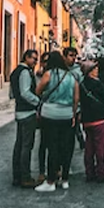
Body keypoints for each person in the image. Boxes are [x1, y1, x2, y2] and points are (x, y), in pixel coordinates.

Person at [34, 51, 81, 192]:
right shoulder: (71, 77)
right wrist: (73, 114)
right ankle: (65, 179)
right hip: (67, 115)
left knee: (52, 147)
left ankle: (51, 181)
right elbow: (76, 98)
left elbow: (37, 91)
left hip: (50, 114)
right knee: (66, 147)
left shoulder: (49, 74)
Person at [9, 49, 42, 187]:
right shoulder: (25, 72)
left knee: (19, 145)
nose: (35, 62)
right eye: (33, 59)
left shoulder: (15, 72)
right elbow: (25, 93)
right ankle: (25, 177)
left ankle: (17, 176)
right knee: (26, 146)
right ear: (26, 58)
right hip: (27, 113)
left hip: (19, 112)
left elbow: (12, 93)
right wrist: (38, 102)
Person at [78, 60, 104, 182]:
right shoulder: (97, 84)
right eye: (94, 69)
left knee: (89, 147)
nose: (97, 70)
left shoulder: (82, 84)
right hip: (99, 118)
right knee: (100, 148)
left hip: (87, 119)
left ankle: (89, 172)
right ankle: (101, 173)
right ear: (89, 71)